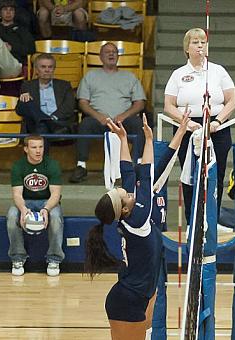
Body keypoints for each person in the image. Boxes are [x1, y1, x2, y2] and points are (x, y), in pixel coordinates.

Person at [84, 113, 189, 340]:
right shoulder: (138, 219)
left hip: (140, 293)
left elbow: (128, 171)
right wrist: (149, 141)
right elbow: (147, 173)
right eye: (125, 194)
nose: (129, 192)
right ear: (124, 209)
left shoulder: (130, 210)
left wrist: (123, 140)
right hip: (127, 300)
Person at [164, 27, 235, 224]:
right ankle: (192, 221)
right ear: (186, 48)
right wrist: (186, 123)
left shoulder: (218, 71)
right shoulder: (178, 74)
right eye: (195, 42)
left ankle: (212, 220)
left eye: (203, 42)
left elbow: (232, 101)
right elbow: (168, 106)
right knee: (190, 175)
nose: (200, 46)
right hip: (188, 128)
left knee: (216, 173)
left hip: (216, 127)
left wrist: (217, 122)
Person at [69, 42, 146, 183]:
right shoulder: (90, 76)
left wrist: (124, 115)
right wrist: (99, 116)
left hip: (124, 119)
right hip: (98, 119)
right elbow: (82, 103)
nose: (111, 54)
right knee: (85, 125)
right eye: (107, 52)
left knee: (138, 124)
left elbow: (140, 103)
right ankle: (81, 166)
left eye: (114, 52)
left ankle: (138, 164)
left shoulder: (129, 77)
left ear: (118, 56)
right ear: (100, 57)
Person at [6, 135, 64, 277]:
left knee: (56, 217)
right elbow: (17, 195)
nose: (38, 151)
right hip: (26, 201)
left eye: (41, 147)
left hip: (47, 201)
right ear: (26, 149)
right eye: (34, 147)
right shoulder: (18, 166)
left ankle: (54, 259)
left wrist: (46, 209)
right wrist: (23, 209)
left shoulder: (52, 165)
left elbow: (56, 194)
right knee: (12, 215)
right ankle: (17, 258)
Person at [16, 53, 76, 135]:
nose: (47, 70)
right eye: (43, 67)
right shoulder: (27, 86)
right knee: (27, 103)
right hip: (35, 125)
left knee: (42, 128)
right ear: (36, 69)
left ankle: (45, 122)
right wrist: (23, 100)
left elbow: (69, 107)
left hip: (58, 123)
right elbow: (20, 110)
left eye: (50, 67)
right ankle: (44, 121)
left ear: (54, 69)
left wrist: (53, 118)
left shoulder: (64, 85)